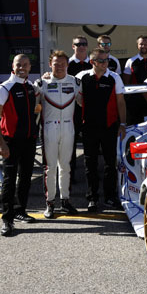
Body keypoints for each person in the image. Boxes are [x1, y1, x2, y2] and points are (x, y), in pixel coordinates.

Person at [0, 55, 40, 235]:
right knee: (10, 180)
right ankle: (7, 219)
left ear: (29, 67)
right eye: (18, 64)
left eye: (25, 65)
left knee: (26, 178)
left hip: (29, 140)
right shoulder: (4, 88)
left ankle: (20, 211)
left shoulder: (30, 87)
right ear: (13, 66)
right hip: (11, 141)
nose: (22, 67)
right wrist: (1, 143)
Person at [77, 48, 127, 213]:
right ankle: (92, 198)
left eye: (107, 61)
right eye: (101, 61)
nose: (105, 64)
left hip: (109, 126)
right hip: (89, 127)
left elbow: (121, 102)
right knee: (89, 164)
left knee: (109, 163)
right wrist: (46, 77)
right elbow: (65, 87)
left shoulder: (115, 77)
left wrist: (123, 124)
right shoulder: (81, 77)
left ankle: (110, 197)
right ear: (92, 62)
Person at [36, 51, 80, 218]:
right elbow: (33, 106)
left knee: (66, 167)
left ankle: (66, 201)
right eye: (56, 63)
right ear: (50, 64)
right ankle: (50, 203)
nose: (59, 66)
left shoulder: (76, 82)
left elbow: (83, 101)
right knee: (50, 168)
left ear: (67, 64)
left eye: (62, 63)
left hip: (69, 128)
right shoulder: (42, 82)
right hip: (49, 128)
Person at [67, 36, 92, 188]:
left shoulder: (93, 63)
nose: (81, 47)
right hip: (73, 110)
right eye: (78, 44)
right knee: (71, 143)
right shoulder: (68, 64)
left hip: (90, 109)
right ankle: (69, 175)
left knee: (90, 144)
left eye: (84, 44)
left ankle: (91, 174)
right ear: (73, 46)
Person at [123, 35, 147, 124]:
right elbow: (126, 82)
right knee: (135, 125)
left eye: (145, 44)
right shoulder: (131, 61)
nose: (143, 46)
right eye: (141, 44)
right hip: (135, 100)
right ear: (137, 45)